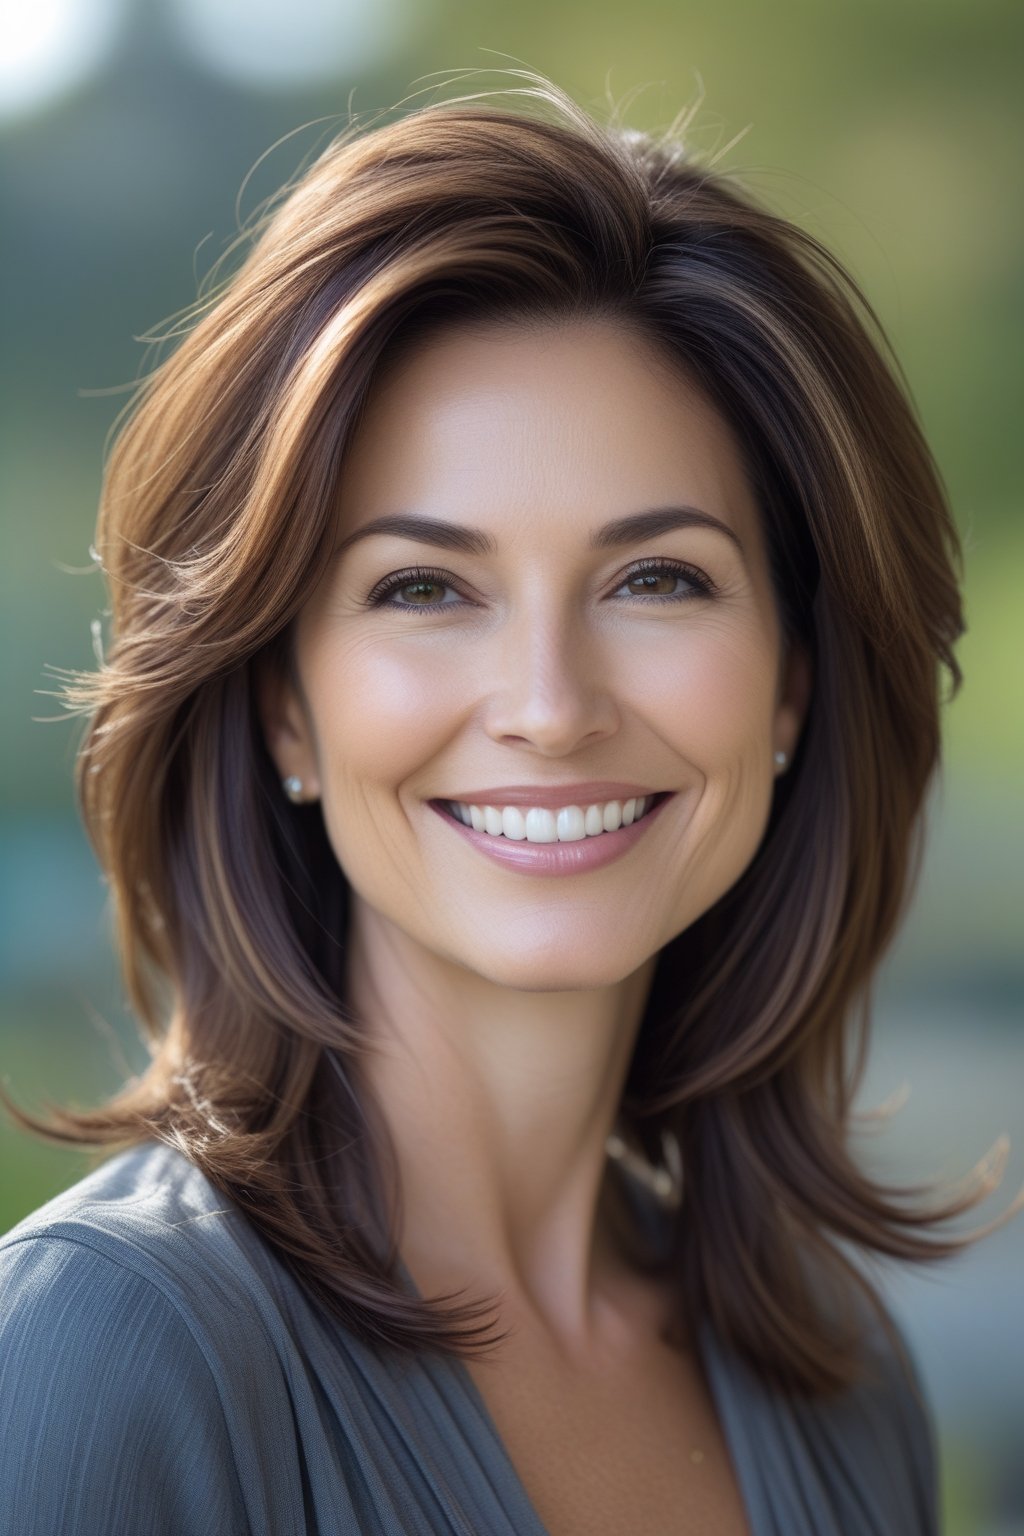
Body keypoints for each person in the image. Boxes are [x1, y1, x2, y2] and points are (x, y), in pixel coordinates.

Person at [0, 73, 1016, 1536]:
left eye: (656, 578)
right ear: (285, 701)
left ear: (793, 681)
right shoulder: (113, 1356)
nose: (550, 702)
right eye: (425, 588)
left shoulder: (840, 1384)